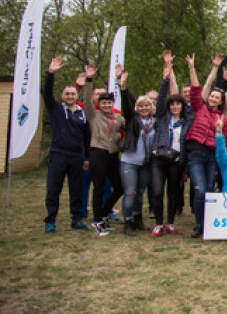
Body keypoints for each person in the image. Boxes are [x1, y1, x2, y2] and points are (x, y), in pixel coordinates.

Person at [41, 57, 91, 233]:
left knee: (76, 189)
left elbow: (87, 136)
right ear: (62, 96)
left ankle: (76, 220)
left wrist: (87, 158)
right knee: (54, 188)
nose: (70, 96)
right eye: (67, 94)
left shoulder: (82, 113)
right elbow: (46, 93)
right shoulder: (56, 109)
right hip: (58, 154)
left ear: (76, 96)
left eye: (73, 94)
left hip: (77, 156)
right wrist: (51, 74)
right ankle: (50, 221)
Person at [184, 54, 227, 238]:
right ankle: (198, 224)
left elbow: (224, 144)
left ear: (220, 101)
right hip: (195, 154)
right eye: (211, 95)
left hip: (212, 156)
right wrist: (193, 67)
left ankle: (208, 225)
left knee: (210, 191)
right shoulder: (199, 108)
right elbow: (196, 89)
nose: (213, 98)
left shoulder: (223, 119)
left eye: (217, 97)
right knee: (200, 190)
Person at [150, 51, 192, 237]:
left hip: (176, 160)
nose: (175, 106)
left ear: (182, 106)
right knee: (158, 191)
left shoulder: (186, 121)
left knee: (173, 192)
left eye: (178, 104)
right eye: (172, 104)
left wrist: (185, 167)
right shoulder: (162, 116)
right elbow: (160, 99)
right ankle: (159, 223)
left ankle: (171, 222)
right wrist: (165, 78)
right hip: (159, 158)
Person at [81, 64, 126, 236]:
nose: (106, 105)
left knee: (119, 187)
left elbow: (129, 123)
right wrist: (89, 80)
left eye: (109, 102)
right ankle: (97, 220)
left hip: (113, 155)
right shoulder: (93, 115)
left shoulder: (117, 117)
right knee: (98, 188)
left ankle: (104, 213)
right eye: (103, 102)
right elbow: (86, 100)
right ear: (98, 104)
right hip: (98, 154)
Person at [117, 65, 158, 236]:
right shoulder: (132, 120)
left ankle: (138, 219)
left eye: (146, 106)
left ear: (151, 107)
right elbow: (127, 104)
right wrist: (123, 88)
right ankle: (127, 222)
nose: (143, 108)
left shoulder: (155, 122)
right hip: (130, 161)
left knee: (140, 193)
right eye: (140, 106)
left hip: (145, 163)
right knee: (130, 192)